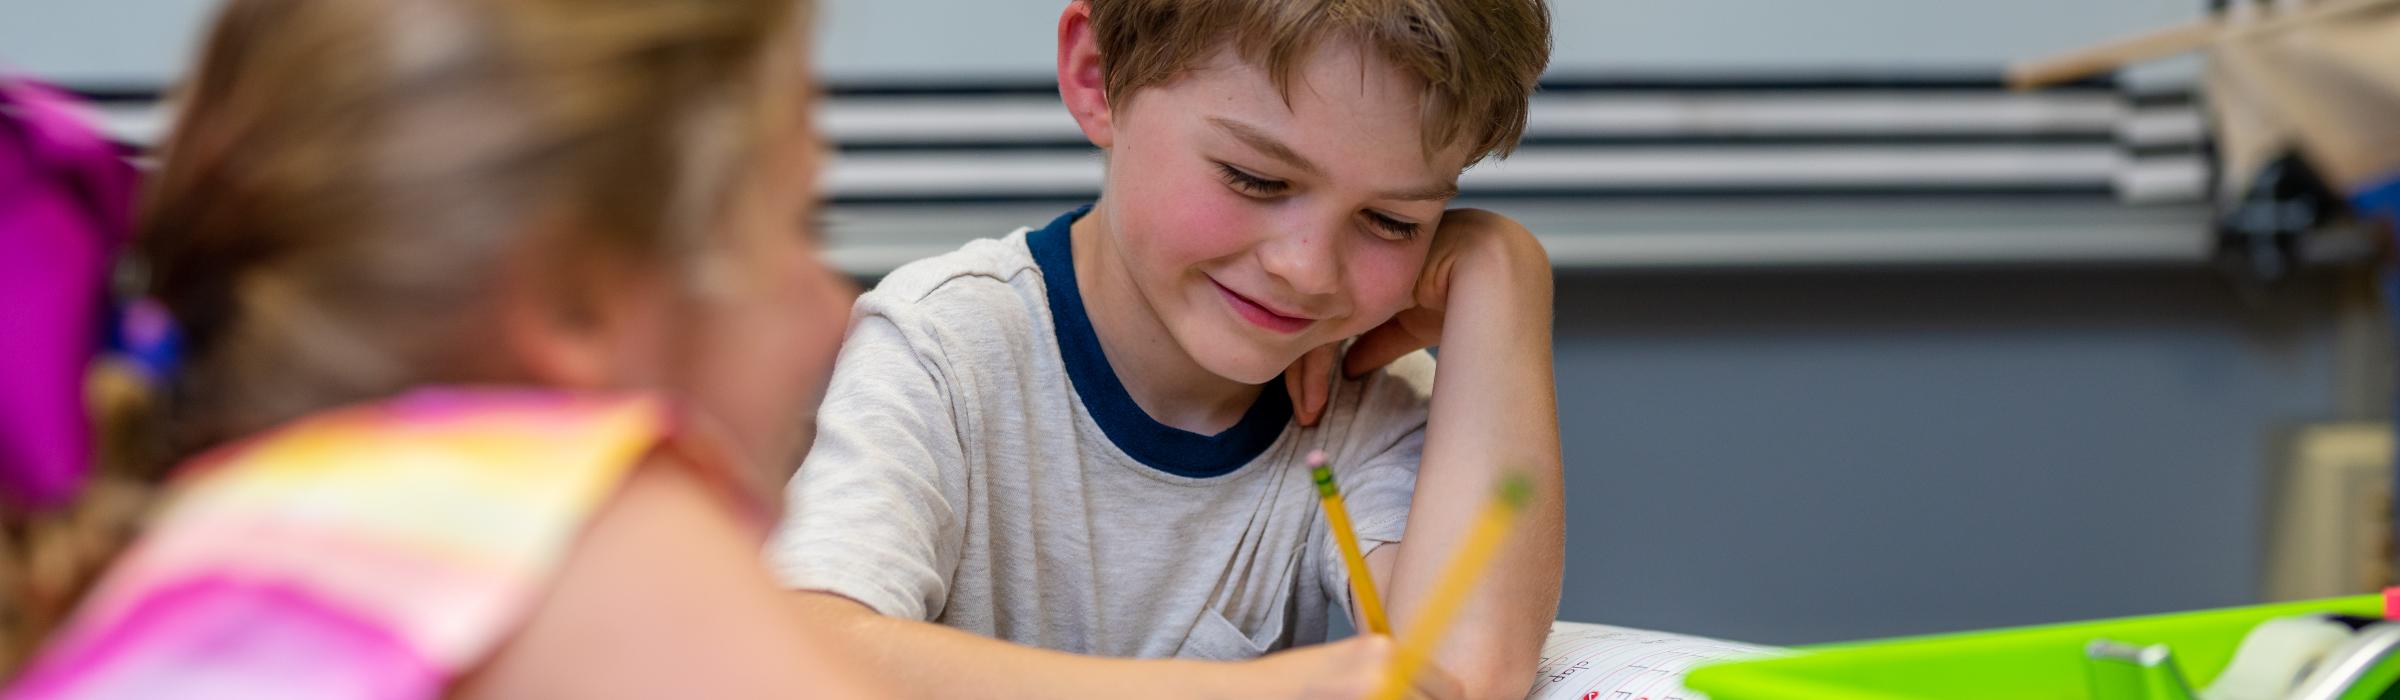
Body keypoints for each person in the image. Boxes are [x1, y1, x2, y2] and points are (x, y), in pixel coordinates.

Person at [1, 0, 876, 696]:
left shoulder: (192, 555)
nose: (834, 309)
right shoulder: (575, 519)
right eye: (794, 226)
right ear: (576, 300)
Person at [770, 1, 1564, 697]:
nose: (1307, 270)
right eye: (1255, 178)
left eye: (1392, 222)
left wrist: (1506, 274)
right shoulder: (944, 344)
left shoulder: (1367, 392)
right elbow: (796, 652)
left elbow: (1465, 671)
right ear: (1096, 76)